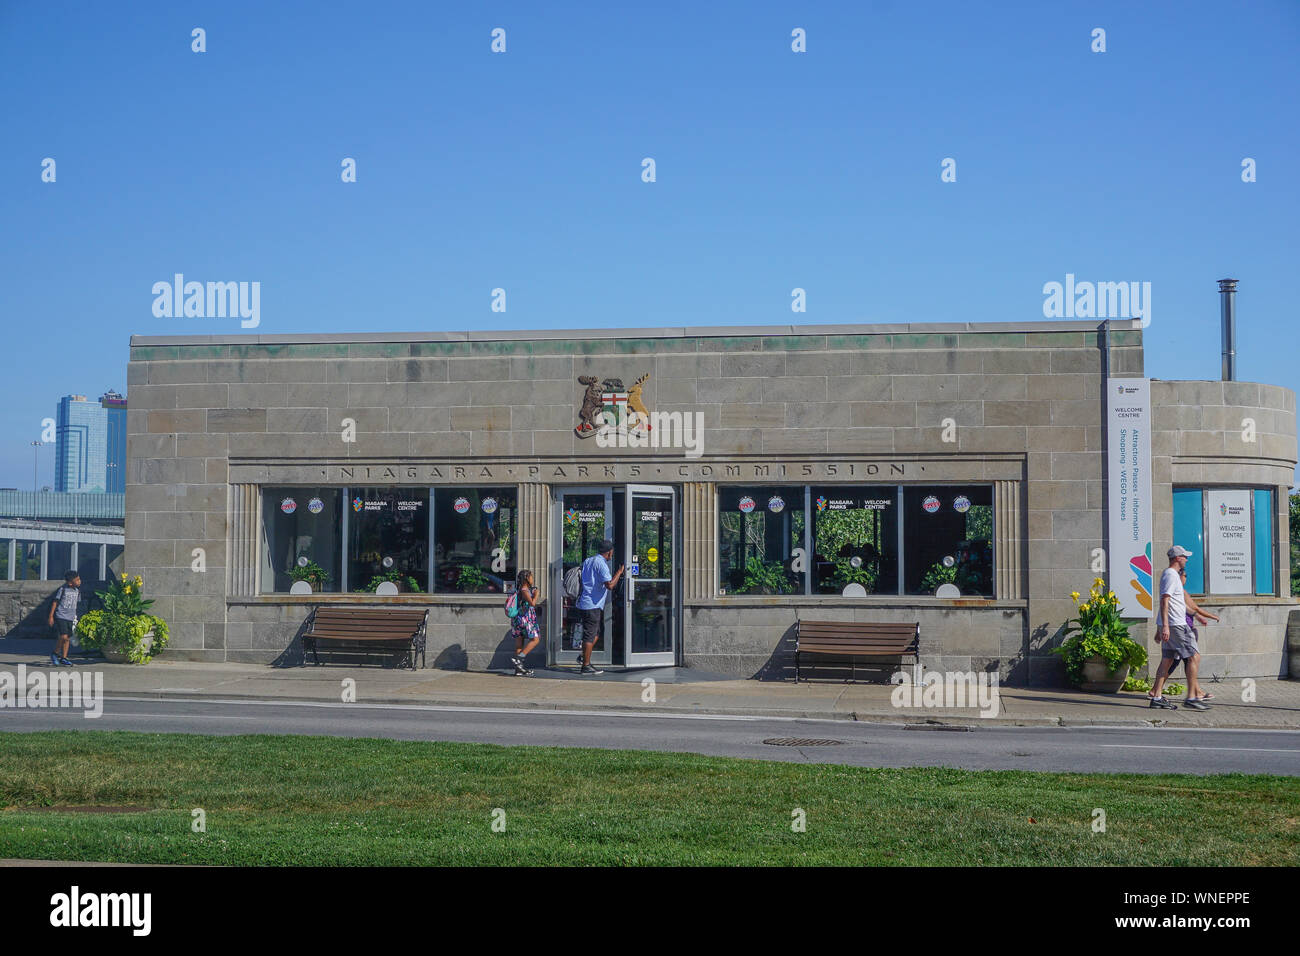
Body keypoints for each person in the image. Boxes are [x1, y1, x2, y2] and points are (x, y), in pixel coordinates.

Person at [1149, 545, 1207, 711]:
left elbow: (1171, 602)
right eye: (1184, 556)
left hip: (1171, 624)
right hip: (1176, 625)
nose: (1187, 559)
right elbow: (1164, 600)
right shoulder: (1171, 575)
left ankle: (1157, 697)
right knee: (1194, 657)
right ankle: (1192, 697)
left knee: (1167, 660)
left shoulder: (1172, 575)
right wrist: (1165, 626)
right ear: (1177, 558)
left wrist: (1160, 627)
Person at [575, 538, 624, 675]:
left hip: (586, 602)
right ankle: (585, 666)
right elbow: (610, 585)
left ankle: (584, 656)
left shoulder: (588, 560)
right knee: (590, 635)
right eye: (612, 552)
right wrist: (619, 572)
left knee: (596, 632)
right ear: (609, 552)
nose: (612, 555)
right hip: (592, 604)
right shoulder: (601, 563)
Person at [1178, 566, 1220, 703]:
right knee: (1192, 659)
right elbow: (1194, 608)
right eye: (1185, 576)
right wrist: (1211, 616)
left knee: (1186, 661)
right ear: (1180, 577)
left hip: (1183, 628)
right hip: (1185, 629)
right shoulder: (1181, 592)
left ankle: (1197, 692)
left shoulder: (1177, 591)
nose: (1186, 578)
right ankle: (1195, 694)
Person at [509, 569, 541, 677]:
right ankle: (519, 658)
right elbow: (532, 604)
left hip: (518, 618)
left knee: (519, 644)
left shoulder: (519, 589)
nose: (532, 579)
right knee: (535, 639)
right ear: (527, 578)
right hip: (525, 619)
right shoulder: (524, 589)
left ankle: (518, 669)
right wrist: (536, 594)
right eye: (531, 576)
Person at [47, 570, 80, 667]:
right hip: (61, 616)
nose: (79, 581)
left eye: (79, 579)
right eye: (77, 580)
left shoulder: (77, 591)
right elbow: (55, 602)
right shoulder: (63, 589)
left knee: (68, 638)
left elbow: (75, 605)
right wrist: (51, 616)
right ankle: (55, 653)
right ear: (70, 582)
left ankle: (64, 658)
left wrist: (75, 617)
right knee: (63, 636)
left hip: (70, 617)